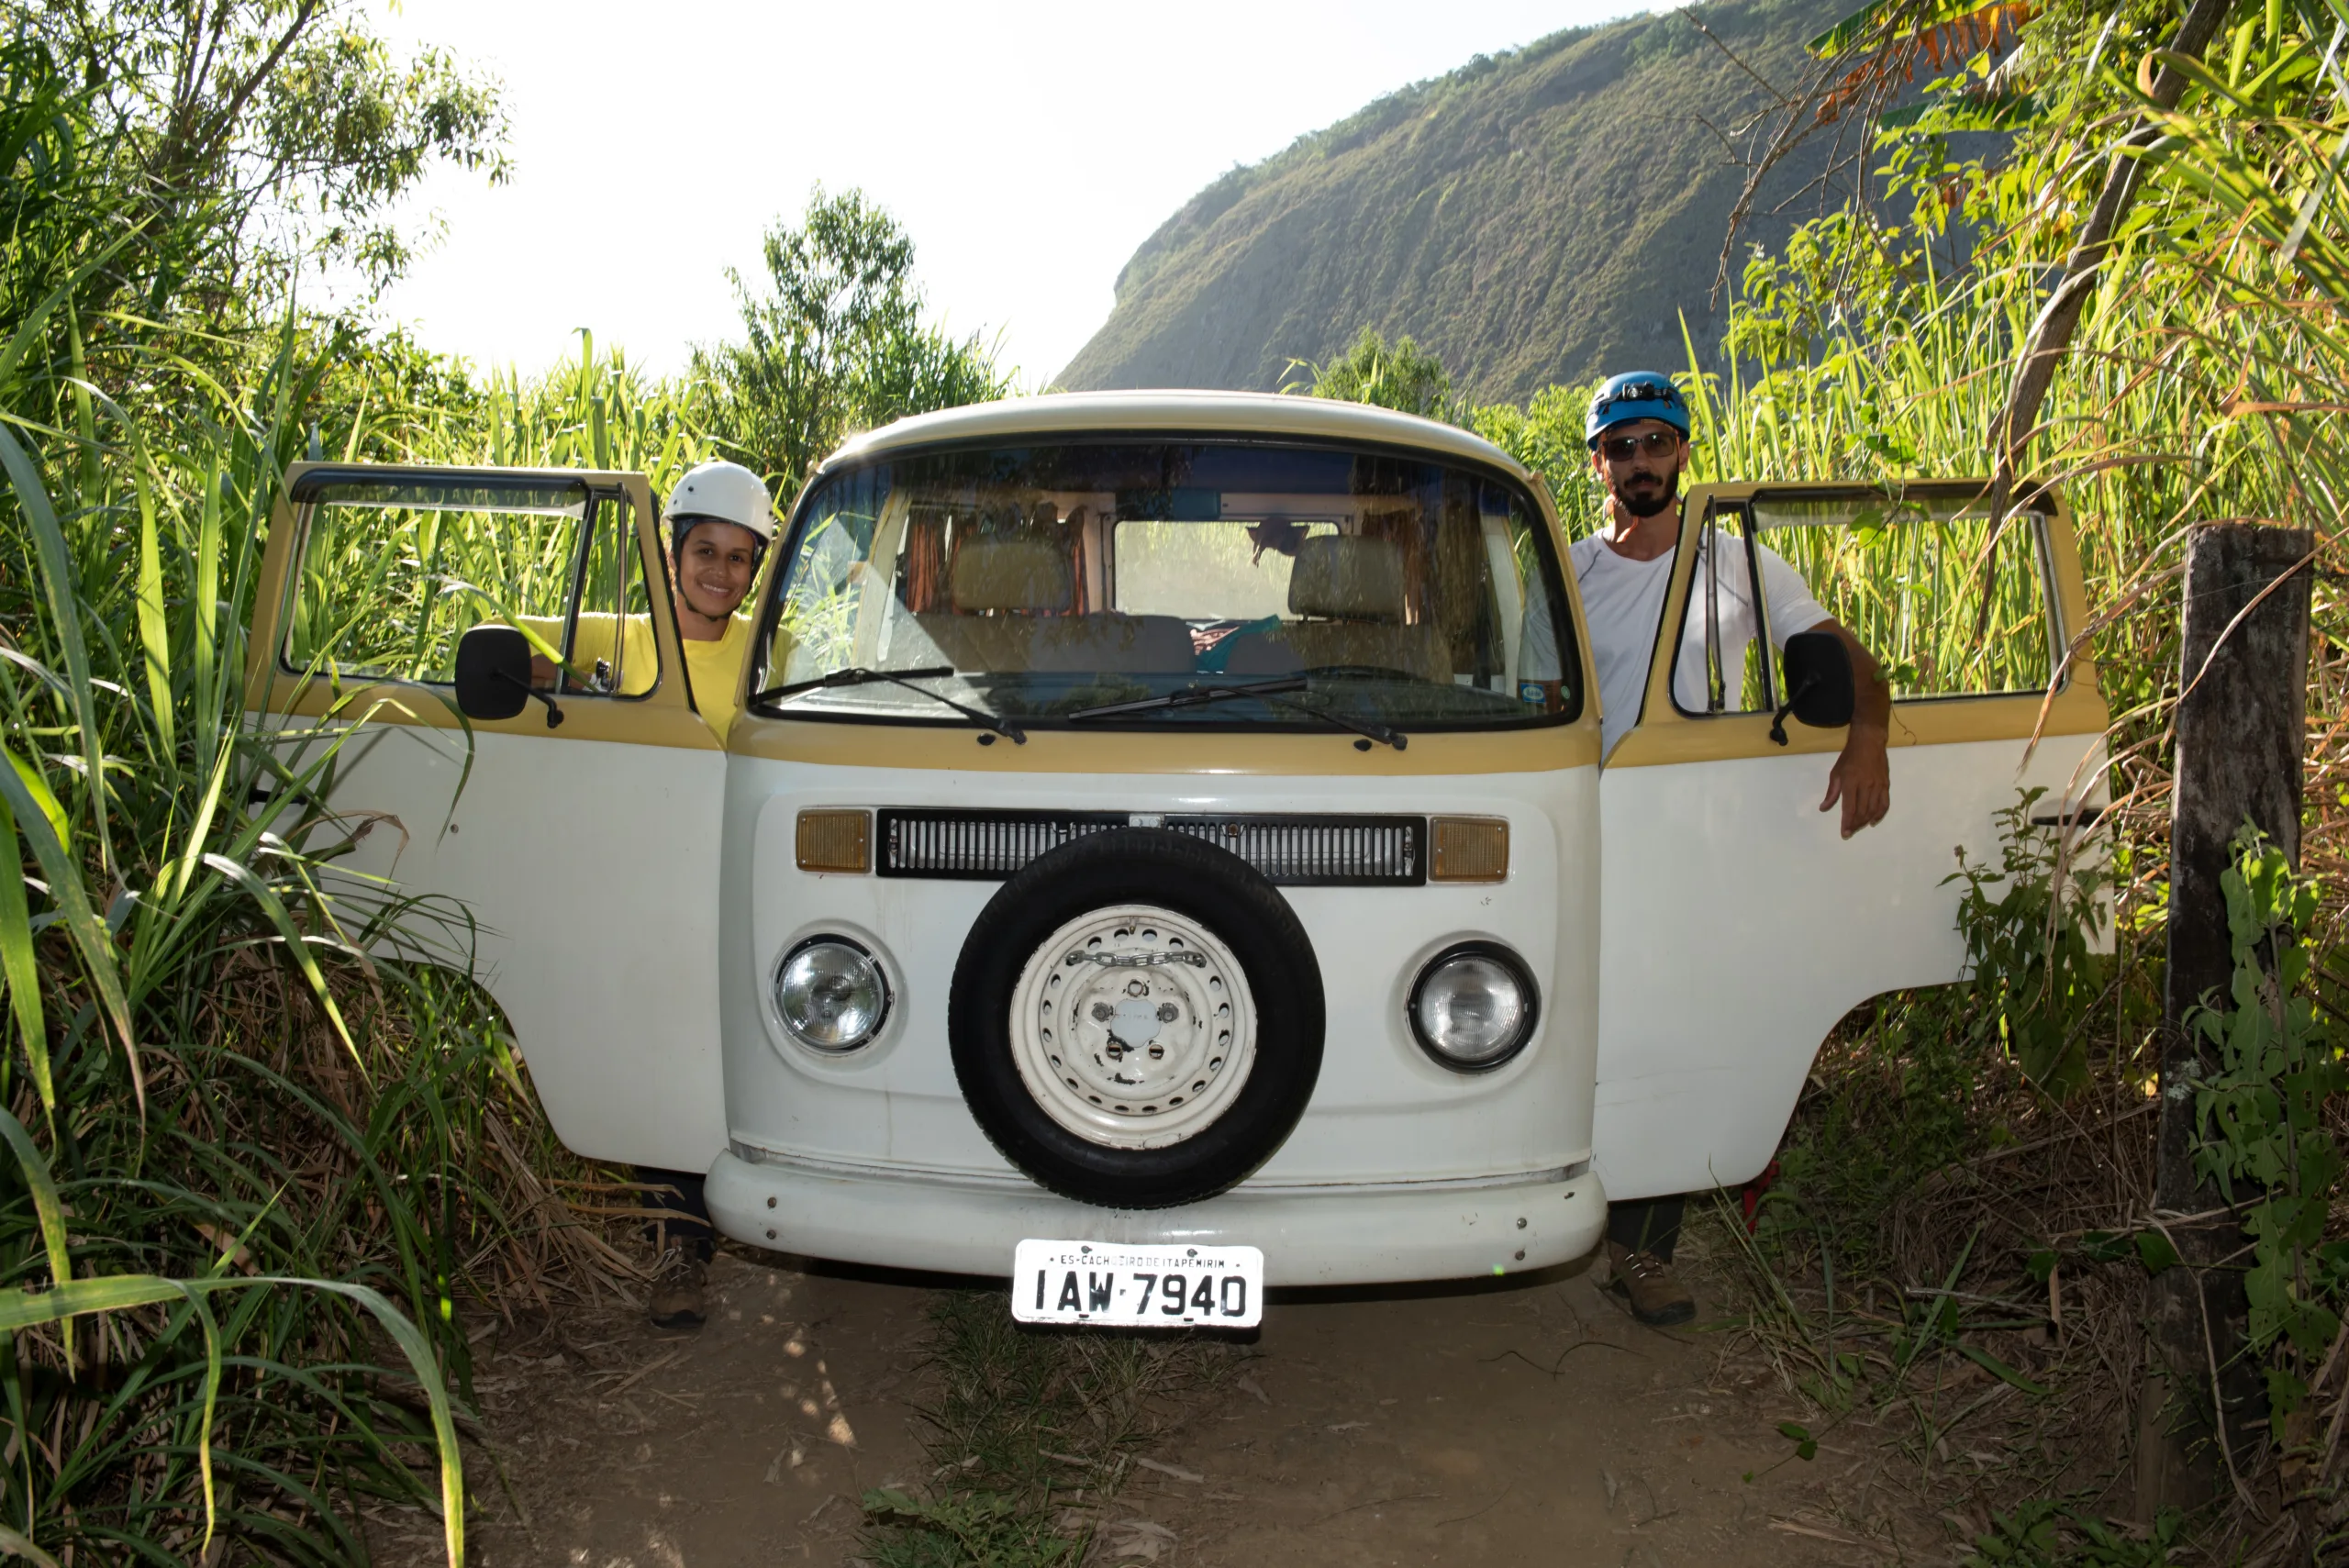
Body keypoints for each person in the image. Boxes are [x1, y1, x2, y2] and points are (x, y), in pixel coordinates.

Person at [1573, 373, 1892, 1327]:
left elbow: (1844, 654)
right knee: (1573, 1018)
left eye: (1656, 442)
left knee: (1676, 1029)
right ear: (1599, 462)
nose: (1640, 461)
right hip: (1585, 822)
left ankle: (1641, 1251)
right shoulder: (1571, 571)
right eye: (1621, 444)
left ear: (1682, 453)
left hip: (1697, 833)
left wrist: (1866, 732)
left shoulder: (1737, 565)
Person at [522, 457, 775, 1329]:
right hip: (641, 892)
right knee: (665, 1062)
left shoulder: (766, 655)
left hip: (733, 889)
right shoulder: (617, 641)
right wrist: (542, 676)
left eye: (740, 558)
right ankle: (682, 1248)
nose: (720, 571)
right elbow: (511, 649)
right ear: (670, 552)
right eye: (704, 549)